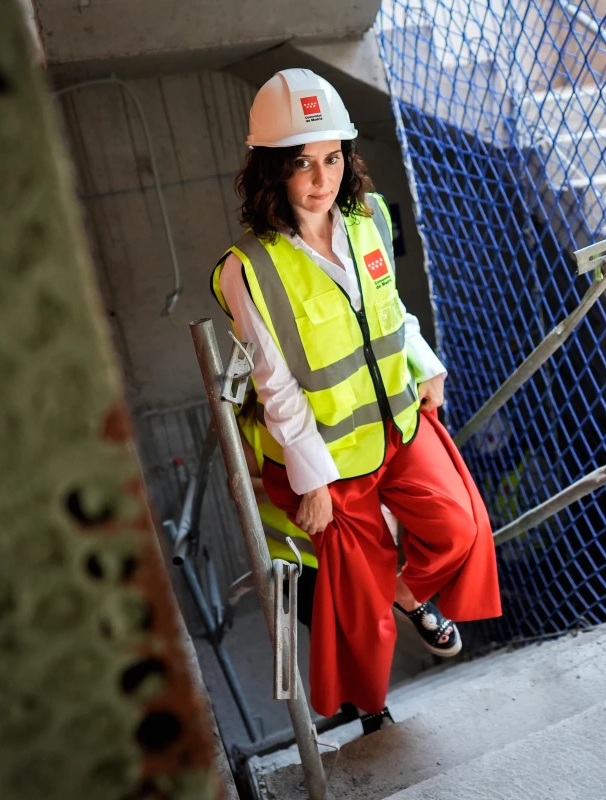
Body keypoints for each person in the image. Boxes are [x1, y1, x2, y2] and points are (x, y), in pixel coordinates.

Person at [211, 68, 502, 732]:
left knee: (460, 530)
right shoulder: (246, 269)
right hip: (333, 458)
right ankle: (372, 717)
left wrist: (426, 363)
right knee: (355, 616)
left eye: (334, 157)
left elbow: (389, 308)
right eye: (303, 163)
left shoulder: (367, 216)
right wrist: (312, 479)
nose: (324, 177)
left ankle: (412, 597)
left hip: (399, 424)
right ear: (271, 172)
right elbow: (274, 387)